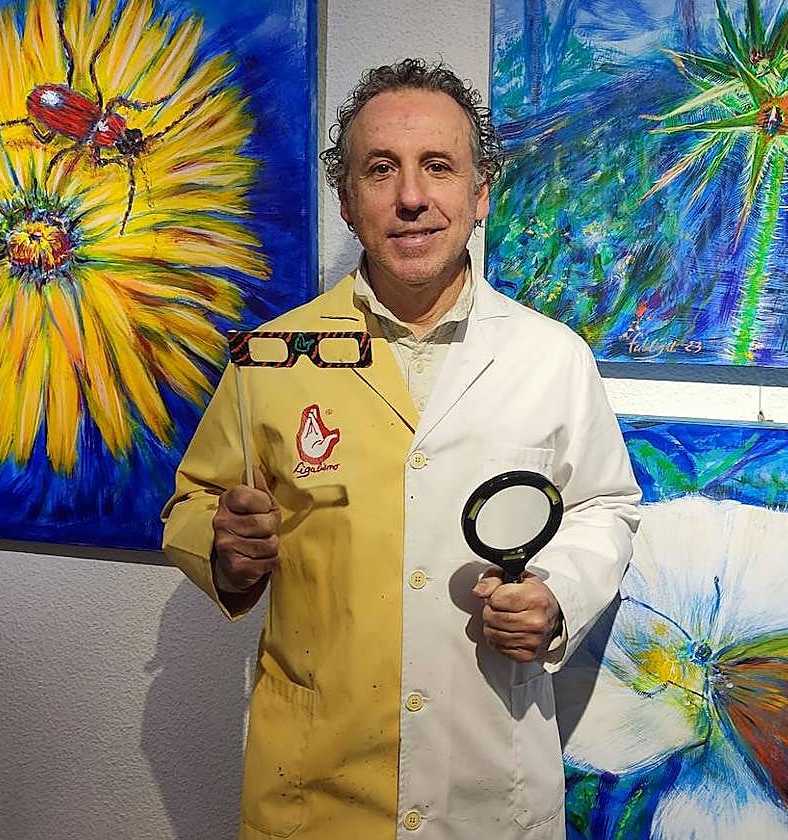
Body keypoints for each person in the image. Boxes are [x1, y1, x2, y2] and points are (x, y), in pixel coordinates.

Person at [161, 58, 641, 840]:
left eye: (438, 167)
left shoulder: (552, 358)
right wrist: (224, 549)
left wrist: (558, 596)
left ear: (480, 194)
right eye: (380, 170)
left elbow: (606, 507)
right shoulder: (273, 358)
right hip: (316, 787)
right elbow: (194, 502)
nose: (411, 196)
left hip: (486, 785)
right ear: (347, 201)